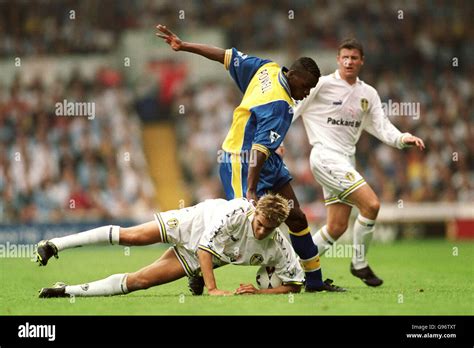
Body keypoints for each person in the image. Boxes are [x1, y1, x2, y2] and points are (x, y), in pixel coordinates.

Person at [155, 24, 344, 293]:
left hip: (268, 163)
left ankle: (314, 282)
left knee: (297, 217)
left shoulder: (267, 69)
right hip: (242, 164)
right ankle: (198, 269)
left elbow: (225, 56)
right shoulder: (278, 104)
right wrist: (252, 190)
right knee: (242, 227)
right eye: (307, 86)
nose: (308, 92)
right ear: (294, 75)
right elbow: (257, 150)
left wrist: (184, 46)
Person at [293, 38, 425, 286]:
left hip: (345, 161)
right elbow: (294, 108)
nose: (349, 61)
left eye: (354, 58)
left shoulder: (368, 94)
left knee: (336, 226)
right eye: (345, 57)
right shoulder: (321, 85)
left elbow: (381, 126)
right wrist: (275, 139)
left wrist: (402, 138)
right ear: (338, 59)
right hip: (324, 156)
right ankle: (359, 263)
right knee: (372, 205)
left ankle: (294, 267)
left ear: (361, 61)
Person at [36, 194, 305, 297]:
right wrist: (213, 289)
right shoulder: (236, 212)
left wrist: (259, 294)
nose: (261, 230)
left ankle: (64, 291)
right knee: (131, 237)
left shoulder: (279, 245)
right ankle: (55, 244)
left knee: (140, 281)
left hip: (202, 254)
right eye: (259, 223)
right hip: (192, 223)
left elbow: (295, 284)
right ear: (255, 212)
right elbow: (204, 248)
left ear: (277, 227)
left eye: (268, 228)